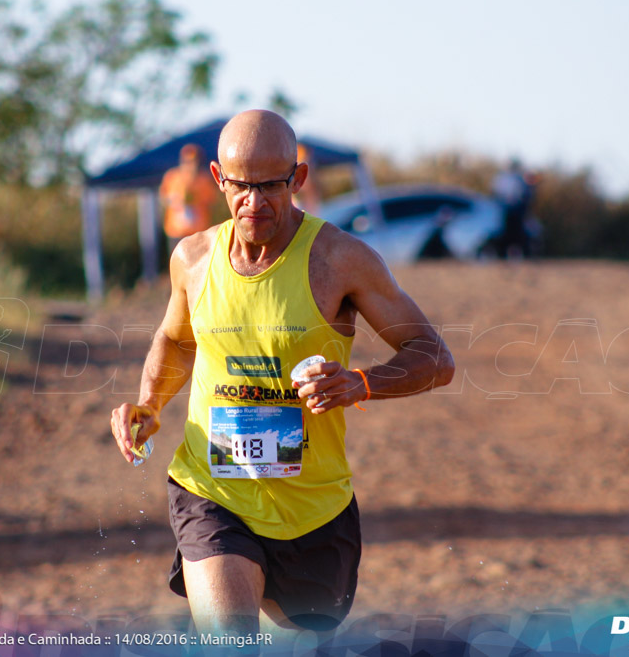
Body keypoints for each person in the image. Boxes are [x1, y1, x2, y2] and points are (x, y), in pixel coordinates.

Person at [110, 110, 455, 644]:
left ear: (298, 179)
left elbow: (434, 357)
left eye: (270, 185)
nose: (254, 202)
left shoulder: (342, 259)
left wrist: (361, 384)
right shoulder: (194, 258)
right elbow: (178, 339)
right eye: (240, 187)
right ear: (218, 180)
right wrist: (149, 406)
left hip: (315, 508)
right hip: (214, 490)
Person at [160, 143, 220, 252]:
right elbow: (164, 198)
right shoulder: (172, 176)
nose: (191, 165)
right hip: (176, 230)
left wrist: (195, 199)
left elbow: (211, 200)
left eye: (194, 161)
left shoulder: (204, 179)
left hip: (198, 231)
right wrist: (177, 201)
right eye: (188, 161)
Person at [491, 157, 535, 258]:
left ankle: (516, 252)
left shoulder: (518, 179)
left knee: (517, 234)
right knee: (505, 233)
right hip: (504, 211)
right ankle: (504, 253)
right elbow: (496, 194)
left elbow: (523, 196)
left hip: (516, 211)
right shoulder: (501, 178)